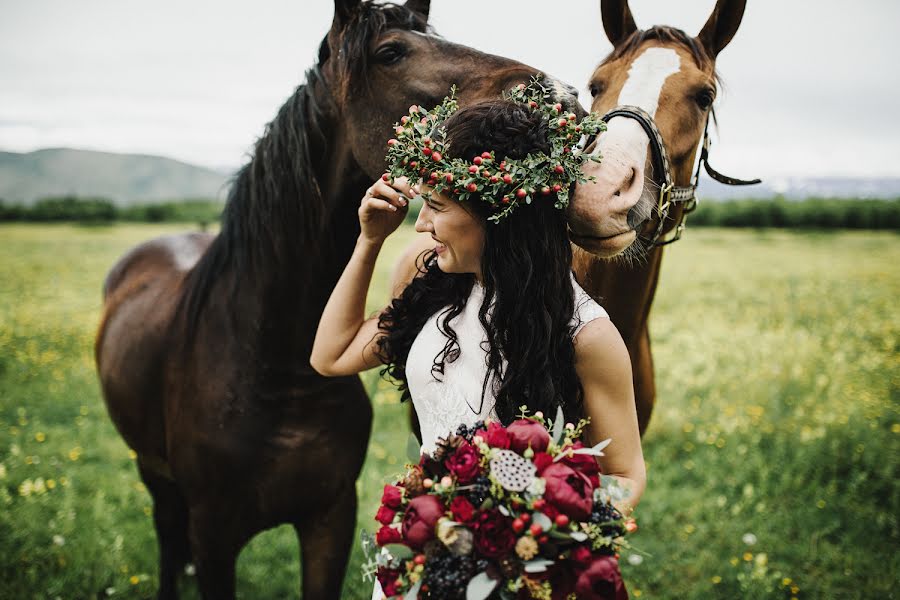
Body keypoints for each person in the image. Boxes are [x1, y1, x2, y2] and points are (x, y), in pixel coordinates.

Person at [309, 94, 645, 515]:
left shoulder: (587, 335)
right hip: (423, 541)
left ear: (495, 214)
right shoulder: (432, 280)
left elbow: (624, 474)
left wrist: (535, 533)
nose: (421, 223)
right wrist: (369, 241)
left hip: (517, 562)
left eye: (435, 204)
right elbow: (331, 356)